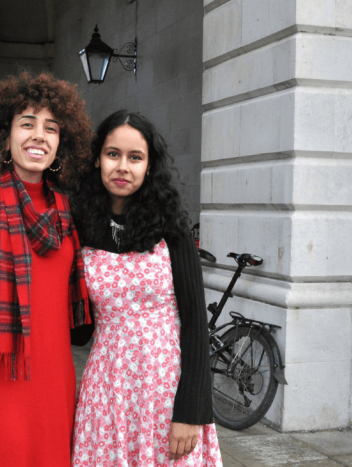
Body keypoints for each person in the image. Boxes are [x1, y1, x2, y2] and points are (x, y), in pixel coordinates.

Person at [0, 71, 95, 467]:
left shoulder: (68, 216)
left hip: (57, 392)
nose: (39, 136)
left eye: (51, 128)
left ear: (62, 142)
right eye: (27, 124)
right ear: (5, 137)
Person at [70, 111, 222, 466]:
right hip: (107, 391)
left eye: (135, 157)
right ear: (97, 159)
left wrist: (190, 412)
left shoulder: (172, 229)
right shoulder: (82, 229)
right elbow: (79, 330)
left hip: (166, 391)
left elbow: (197, 325)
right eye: (113, 154)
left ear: (149, 166)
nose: (123, 166)